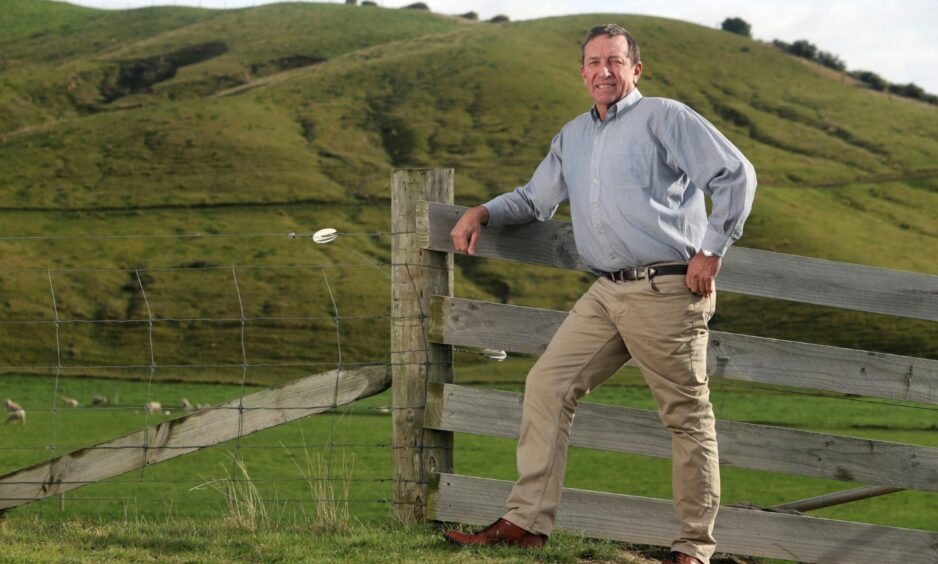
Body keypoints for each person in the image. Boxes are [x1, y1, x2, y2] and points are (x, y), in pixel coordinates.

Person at [443, 24, 756, 564]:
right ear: (582, 72)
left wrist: (713, 247)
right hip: (606, 293)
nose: (603, 72)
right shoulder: (572, 137)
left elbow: (736, 175)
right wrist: (484, 211)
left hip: (666, 288)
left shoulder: (666, 117)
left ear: (636, 69)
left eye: (615, 61)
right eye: (593, 62)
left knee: (685, 415)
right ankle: (526, 524)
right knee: (547, 383)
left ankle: (692, 550)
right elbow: (535, 199)